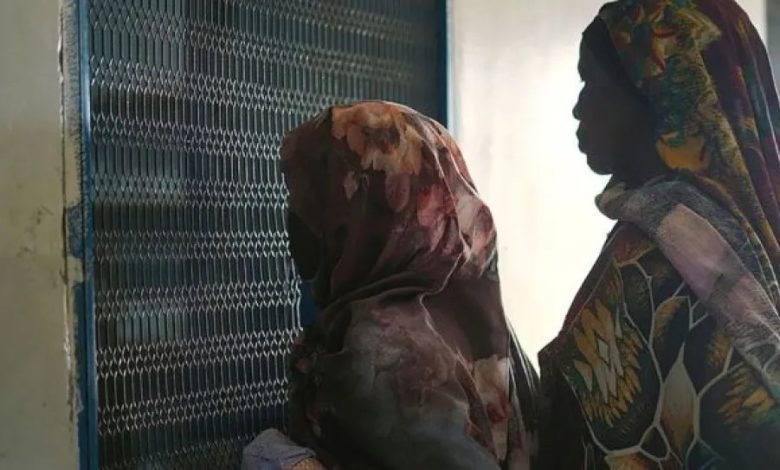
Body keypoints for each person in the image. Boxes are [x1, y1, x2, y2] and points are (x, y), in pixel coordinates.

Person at [539, 0, 780, 467]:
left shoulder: (660, 258)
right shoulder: (752, 233)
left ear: (659, 94)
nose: (578, 107)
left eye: (591, 82)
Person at [269, 101, 538, 469]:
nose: (292, 219)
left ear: (366, 213)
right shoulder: (482, 323)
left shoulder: (380, 352)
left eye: (311, 200)